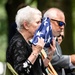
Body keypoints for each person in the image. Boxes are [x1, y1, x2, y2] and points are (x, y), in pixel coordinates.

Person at [6, 6, 55, 75]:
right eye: (38, 22)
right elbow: (21, 72)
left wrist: (49, 55)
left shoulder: (27, 41)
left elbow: (36, 68)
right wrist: (35, 52)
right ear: (26, 25)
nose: (41, 25)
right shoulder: (18, 42)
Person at [43, 7, 75, 75]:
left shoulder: (54, 38)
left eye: (64, 24)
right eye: (60, 23)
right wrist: (70, 59)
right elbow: (46, 59)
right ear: (48, 21)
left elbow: (57, 67)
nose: (62, 27)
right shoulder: (41, 37)